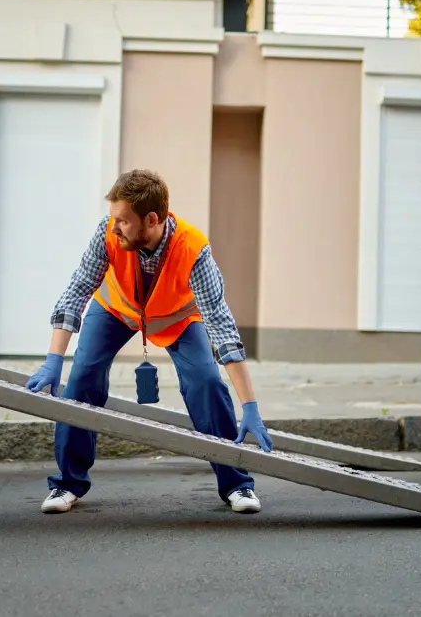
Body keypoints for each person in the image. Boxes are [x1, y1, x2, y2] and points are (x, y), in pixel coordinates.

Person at [24, 169, 274, 514]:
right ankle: (67, 484)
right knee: (82, 375)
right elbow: (78, 289)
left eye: (124, 221)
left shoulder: (194, 249)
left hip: (177, 318)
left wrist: (249, 406)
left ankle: (237, 484)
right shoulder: (106, 233)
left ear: (152, 219)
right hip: (116, 309)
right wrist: (54, 358)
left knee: (206, 382)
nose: (114, 227)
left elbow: (221, 326)